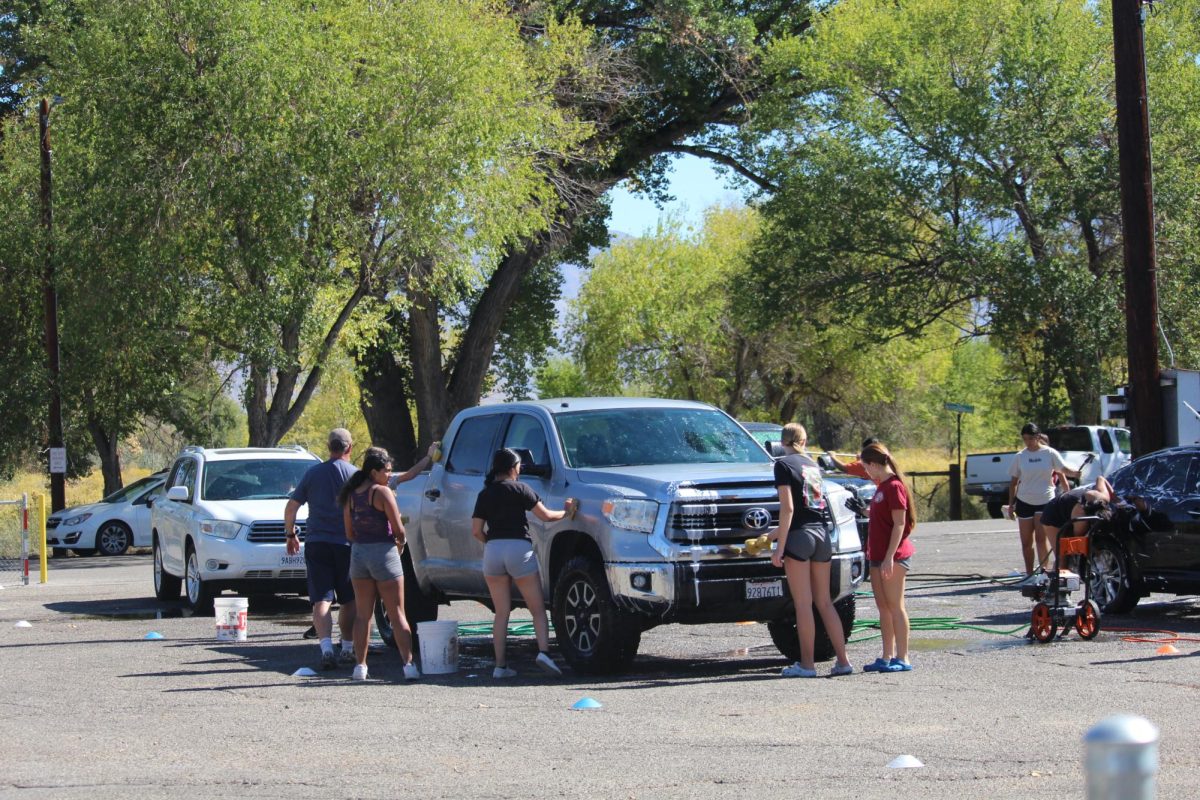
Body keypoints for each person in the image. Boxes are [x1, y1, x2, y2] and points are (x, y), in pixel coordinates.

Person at [471, 448, 574, 678]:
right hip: (519, 549)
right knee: (537, 609)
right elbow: (546, 516)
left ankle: (500, 667)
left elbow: (476, 531)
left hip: (494, 551)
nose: (520, 470)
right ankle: (544, 653)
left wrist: (492, 542)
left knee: (501, 613)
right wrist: (566, 512)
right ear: (511, 469)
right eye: (519, 466)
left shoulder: (484, 494)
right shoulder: (521, 489)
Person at [768, 423, 853, 678]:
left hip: (799, 537)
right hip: (821, 534)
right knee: (825, 602)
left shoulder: (782, 465)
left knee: (803, 605)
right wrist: (772, 534)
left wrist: (778, 548)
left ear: (782, 443)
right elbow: (811, 507)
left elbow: (789, 509)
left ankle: (807, 665)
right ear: (804, 441)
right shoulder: (812, 466)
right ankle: (843, 661)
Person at [338, 446, 420, 682]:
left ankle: (360, 667)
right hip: (384, 553)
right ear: (374, 472)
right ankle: (408, 665)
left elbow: (349, 532)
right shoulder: (381, 492)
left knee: (363, 615)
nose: (389, 475)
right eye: (387, 471)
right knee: (397, 613)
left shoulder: (351, 495)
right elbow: (398, 528)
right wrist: (401, 543)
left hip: (359, 555)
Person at [285, 429, 359, 670]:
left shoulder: (313, 473)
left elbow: (292, 507)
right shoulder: (356, 475)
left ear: (329, 447)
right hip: (347, 544)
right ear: (349, 448)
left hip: (317, 543)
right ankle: (347, 648)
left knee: (321, 599)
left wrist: (290, 534)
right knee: (350, 599)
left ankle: (326, 648)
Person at [859, 442, 916, 673]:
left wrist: (890, 557)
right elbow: (881, 517)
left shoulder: (894, 487)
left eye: (866, 468)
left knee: (895, 606)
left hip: (893, 556)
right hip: (877, 555)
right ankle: (886, 656)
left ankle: (903, 657)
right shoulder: (881, 486)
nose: (866, 472)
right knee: (883, 607)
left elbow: (900, 523)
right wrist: (863, 511)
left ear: (874, 464)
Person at [1007, 423, 1080, 579]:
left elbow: (1062, 470)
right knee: (1026, 541)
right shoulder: (1020, 456)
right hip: (1024, 500)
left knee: (1041, 539)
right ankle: (1029, 574)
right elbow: (1013, 482)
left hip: (1045, 499)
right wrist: (1011, 504)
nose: (1028, 442)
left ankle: (1043, 572)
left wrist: (1075, 473)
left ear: (1038, 437)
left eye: (1031, 438)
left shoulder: (1049, 453)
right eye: (1025, 439)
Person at [1038, 476, 1113, 544]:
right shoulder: (1080, 513)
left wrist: (1117, 500)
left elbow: (1100, 478)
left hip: (1070, 507)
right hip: (1053, 512)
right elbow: (1077, 539)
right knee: (1065, 553)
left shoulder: (1104, 497)